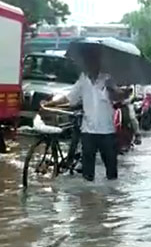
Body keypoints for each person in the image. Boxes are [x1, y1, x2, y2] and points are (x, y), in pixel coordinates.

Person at [41, 47, 121, 181]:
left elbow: (118, 96)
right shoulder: (83, 79)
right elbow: (70, 98)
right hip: (88, 131)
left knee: (111, 171)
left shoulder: (108, 79)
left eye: (94, 60)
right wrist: (50, 104)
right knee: (87, 174)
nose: (91, 64)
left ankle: (111, 199)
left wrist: (120, 93)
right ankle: (87, 199)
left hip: (107, 131)